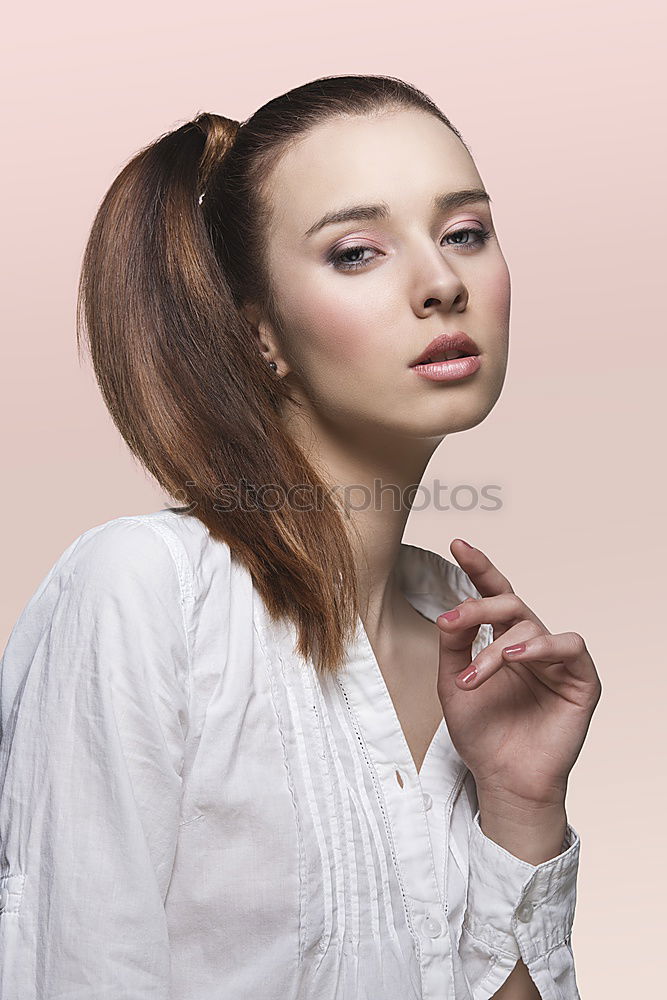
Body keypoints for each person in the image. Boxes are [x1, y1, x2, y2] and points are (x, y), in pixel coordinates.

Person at [0, 74, 602, 999]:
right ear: (259, 335)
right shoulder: (148, 593)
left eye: (464, 232)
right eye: (357, 252)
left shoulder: (463, 629)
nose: (441, 282)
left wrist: (523, 808)